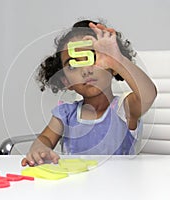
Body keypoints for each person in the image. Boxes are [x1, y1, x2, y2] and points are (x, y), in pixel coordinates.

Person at [21, 19, 157, 166]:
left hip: (119, 187)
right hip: (76, 186)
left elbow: (148, 95)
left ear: (112, 68)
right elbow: (45, 139)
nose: (86, 70)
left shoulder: (124, 109)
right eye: (73, 66)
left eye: (92, 58)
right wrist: (39, 149)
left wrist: (118, 60)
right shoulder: (66, 114)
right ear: (66, 82)